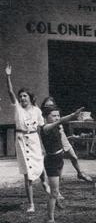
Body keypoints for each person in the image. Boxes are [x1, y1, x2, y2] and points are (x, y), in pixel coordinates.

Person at [5, 64, 50, 212]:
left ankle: (49, 189)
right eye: (21, 96)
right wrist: (8, 76)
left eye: (25, 96)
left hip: (34, 140)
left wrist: (43, 146)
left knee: (40, 167)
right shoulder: (17, 108)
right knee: (28, 175)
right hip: (21, 141)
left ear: (30, 97)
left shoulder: (37, 110)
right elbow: (10, 92)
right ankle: (31, 204)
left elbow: (40, 129)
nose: (22, 98)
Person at [40, 105, 84, 223]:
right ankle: (50, 219)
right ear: (46, 117)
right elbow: (59, 122)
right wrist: (71, 116)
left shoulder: (57, 127)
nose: (56, 118)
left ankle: (52, 209)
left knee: (56, 190)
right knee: (54, 192)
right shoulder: (45, 128)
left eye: (58, 115)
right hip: (51, 161)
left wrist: (71, 136)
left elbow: (60, 140)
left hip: (59, 159)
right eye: (53, 115)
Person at [40, 97, 93, 183]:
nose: (49, 107)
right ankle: (54, 182)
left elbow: (60, 128)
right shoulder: (45, 119)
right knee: (57, 161)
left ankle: (80, 173)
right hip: (52, 142)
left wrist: (68, 138)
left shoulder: (55, 116)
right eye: (47, 106)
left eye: (51, 105)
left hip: (61, 138)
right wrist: (72, 115)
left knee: (74, 157)